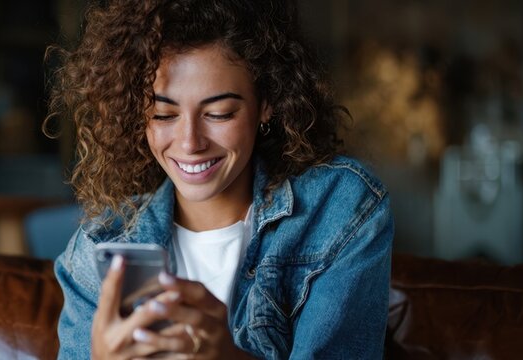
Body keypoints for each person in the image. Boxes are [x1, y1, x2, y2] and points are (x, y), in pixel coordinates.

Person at [46, 0, 394, 358]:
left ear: (266, 104)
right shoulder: (99, 246)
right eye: (164, 115)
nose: (190, 143)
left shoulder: (337, 210)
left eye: (219, 113)